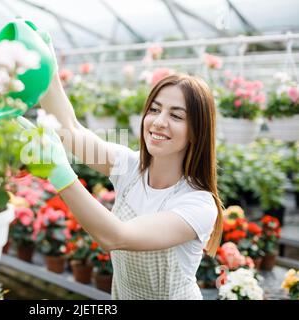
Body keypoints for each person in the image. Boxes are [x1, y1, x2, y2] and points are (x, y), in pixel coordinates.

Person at [19, 35, 223, 300]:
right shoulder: (129, 167)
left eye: (176, 115)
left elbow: (115, 236)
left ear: (197, 131)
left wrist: (58, 171)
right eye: (155, 109)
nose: (159, 122)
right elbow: (70, 130)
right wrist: (46, 66)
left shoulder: (197, 204)